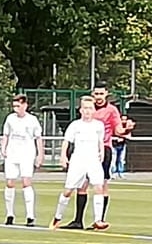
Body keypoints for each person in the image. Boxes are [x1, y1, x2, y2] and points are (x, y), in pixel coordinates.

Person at [74, 86, 128, 228]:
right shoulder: (88, 108)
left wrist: (126, 129)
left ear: (106, 94)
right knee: (82, 184)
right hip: (86, 150)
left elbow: (118, 130)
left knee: (102, 184)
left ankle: (99, 219)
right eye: (96, 93)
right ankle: (78, 220)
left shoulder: (111, 110)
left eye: (101, 93)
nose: (98, 96)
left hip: (103, 148)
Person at [52, 96, 109, 230]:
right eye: (85, 108)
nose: (87, 111)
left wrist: (101, 153)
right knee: (68, 190)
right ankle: (58, 217)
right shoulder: (75, 125)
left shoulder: (98, 125)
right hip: (78, 160)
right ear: (81, 110)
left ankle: (98, 220)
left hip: (93, 160)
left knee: (98, 187)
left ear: (94, 110)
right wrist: (63, 156)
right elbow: (67, 141)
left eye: (90, 108)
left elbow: (100, 141)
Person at [0, 93, 45, 227]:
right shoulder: (10, 119)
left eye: (18, 106)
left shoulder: (32, 120)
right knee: (10, 182)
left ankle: (30, 215)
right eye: (14, 106)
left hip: (26, 154)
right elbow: (6, 135)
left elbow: (38, 138)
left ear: (25, 105)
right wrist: (3, 148)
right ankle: (10, 214)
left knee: (26, 182)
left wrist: (40, 155)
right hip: (12, 154)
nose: (16, 109)